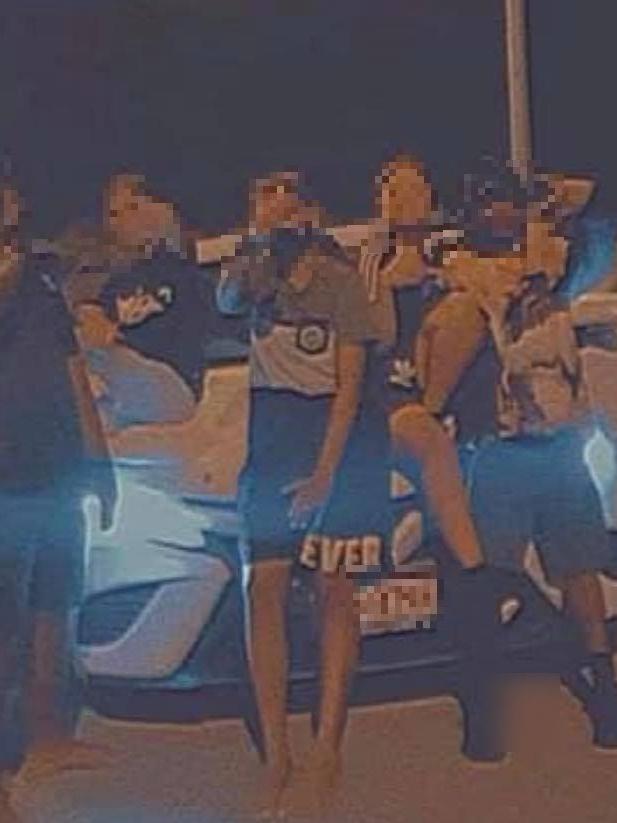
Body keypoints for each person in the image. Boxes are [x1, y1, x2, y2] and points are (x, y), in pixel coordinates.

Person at [217, 171, 391, 814]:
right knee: (261, 588)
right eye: (272, 199)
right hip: (271, 444)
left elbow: (349, 389)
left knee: (333, 594)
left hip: (335, 447)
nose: (286, 211)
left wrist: (323, 476)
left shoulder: (342, 283)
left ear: (317, 213)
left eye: (294, 202)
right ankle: (277, 753)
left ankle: (326, 747)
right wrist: (258, 233)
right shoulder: (256, 274)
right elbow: (228, 300)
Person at [358, 155, 520, 762]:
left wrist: (453, 271)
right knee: (430, 442)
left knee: (461, 311)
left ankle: (482, 699)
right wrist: (396, 272)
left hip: (451, 407)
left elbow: (496, 288)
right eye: (394, 187)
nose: (407, 197)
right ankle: (480, 579)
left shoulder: (454, 249)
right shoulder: (368, 256)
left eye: (416, 185)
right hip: (391, 401)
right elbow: (366, 332)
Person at [469, 263, 617, 748]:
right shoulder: (471, 281)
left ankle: (603, 682)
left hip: (556, 449)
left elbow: (519, 360)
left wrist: (501, 308)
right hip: (501, 453)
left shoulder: (551, 320)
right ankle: (486, 701)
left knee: (579, 570)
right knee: (492, 573)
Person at [0, 185, 118, 789]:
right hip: (5, 484)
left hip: (57, 473)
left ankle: (49, 739)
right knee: (7, 627)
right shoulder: (16, 281)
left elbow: (74, 371)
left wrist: (100, 462)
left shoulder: (42, 285)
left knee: (54, 612)